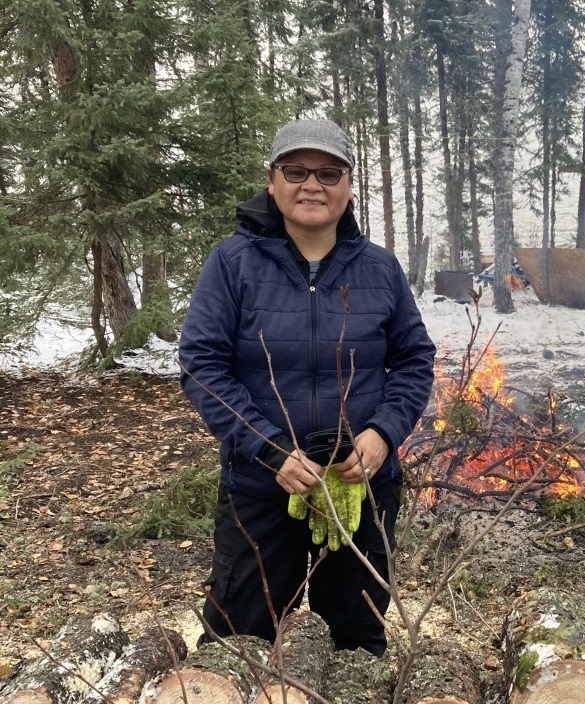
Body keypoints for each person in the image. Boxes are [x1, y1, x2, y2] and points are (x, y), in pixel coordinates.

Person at [178, 117, 436, 656]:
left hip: (359, 489)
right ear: (271, 181)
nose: (312, 185)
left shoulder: (380, 269)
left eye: (328, 172)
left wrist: (384, 433)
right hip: (262, 488)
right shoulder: (233, 263)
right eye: (295, 171)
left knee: (356, 638)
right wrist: (270, 450)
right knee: (239, 637)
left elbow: (414, 360)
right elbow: (202, 365)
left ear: (348, 185)